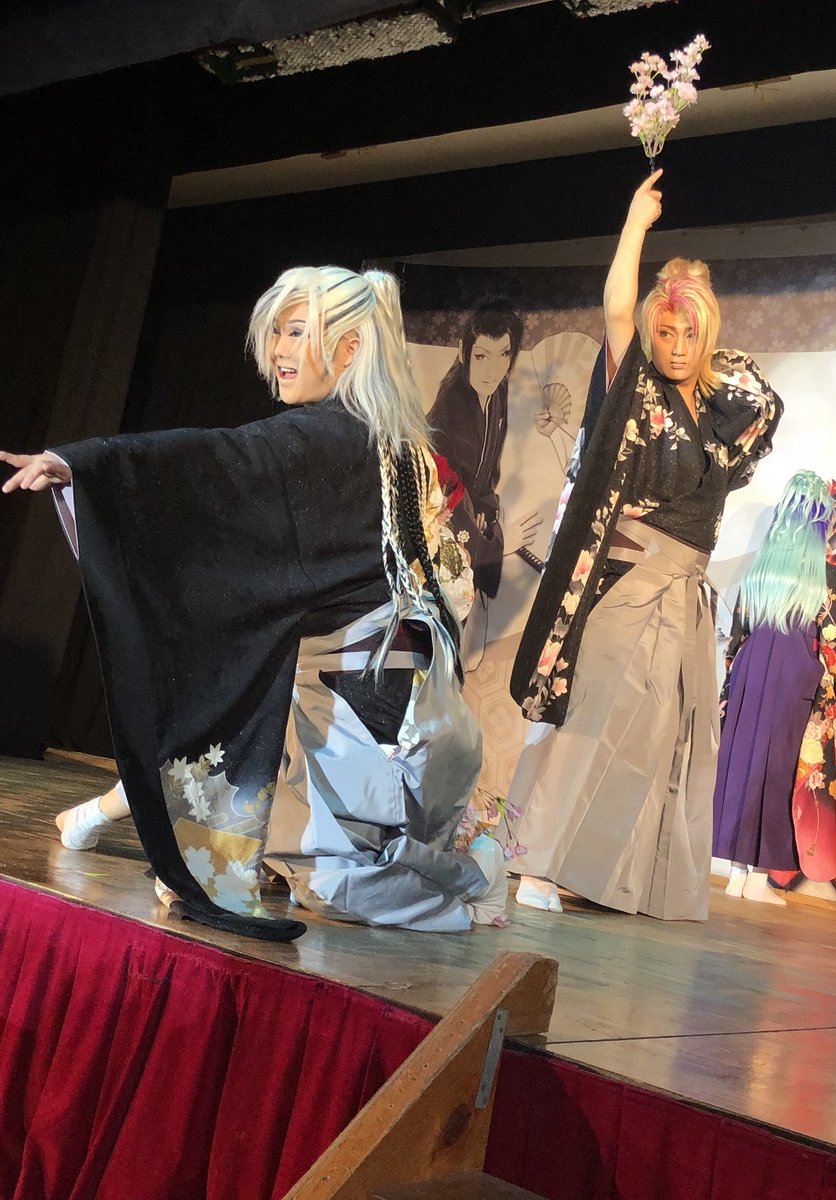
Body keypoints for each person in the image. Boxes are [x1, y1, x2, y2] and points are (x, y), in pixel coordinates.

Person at [1, 265, 507, 941]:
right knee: (230, 735)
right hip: (382, 676)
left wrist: (88, 465)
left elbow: (220, 460)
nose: (278, 351)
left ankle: (466, 884)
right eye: (276, 334)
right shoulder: (395, 442)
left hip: (370, 689)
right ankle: (115, 824)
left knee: (335, 875)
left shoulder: (333, 437)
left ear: (351, 347)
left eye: (297, 332)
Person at [506, 169, 783, 921]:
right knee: (589, 720)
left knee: (655, 735)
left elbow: (753, 418)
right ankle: (532, 862)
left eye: (690, 333)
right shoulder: (640, 388)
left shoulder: (729, 402)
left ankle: (608, 875)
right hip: (628, 581)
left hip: (684, 588)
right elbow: (618, 308)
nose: (677, 345)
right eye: (666, 332)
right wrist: (634, 223)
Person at [713, 471, 836, 904]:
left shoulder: (761, 572)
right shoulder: (826, 578)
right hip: (796, 674)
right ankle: (758, 880)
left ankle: (736, 873)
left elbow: (738, 636)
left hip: (751, 668)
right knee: (779, 771)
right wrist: (830, 705)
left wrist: (730, 688)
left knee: (743, 764)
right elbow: (834, 646)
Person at [427, 298, 541, 599]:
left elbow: (490, 463)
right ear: (463, 353)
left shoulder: (496, 386)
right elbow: (443, 496)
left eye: (503, 355)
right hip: (443, 527)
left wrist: (485, 510)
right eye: (481, 356)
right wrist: (496, 543)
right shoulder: (448, 410)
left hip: (474, 515)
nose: (492, 370)